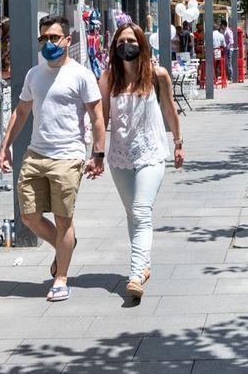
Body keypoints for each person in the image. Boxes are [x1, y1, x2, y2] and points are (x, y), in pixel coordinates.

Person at [0, 14, 106, 302]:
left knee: (62, 220)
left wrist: (98, 154)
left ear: (67, 40)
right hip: (36, 153)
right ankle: (64, 246)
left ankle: (61, 277)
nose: (48, 43)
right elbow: (21, 112)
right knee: (29, 217)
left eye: (54, 37)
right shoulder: (34, 74)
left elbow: (97, 117)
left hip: (68, 157)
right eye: (44, 38)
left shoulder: (81, 74)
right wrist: (5, 145)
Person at [97, 23, 184, 300]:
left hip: (151, 153)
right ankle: (144, 265)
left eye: (131, 40)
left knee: (141, 210)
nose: (126, 45)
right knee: (133, 214)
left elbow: (170, 109)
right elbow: (102, 119)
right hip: (120, 157)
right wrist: (96, 154)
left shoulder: (158, 75)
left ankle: (135, 275)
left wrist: (178, 144)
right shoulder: (109, 78)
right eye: (121, 41)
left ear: (142, 44)